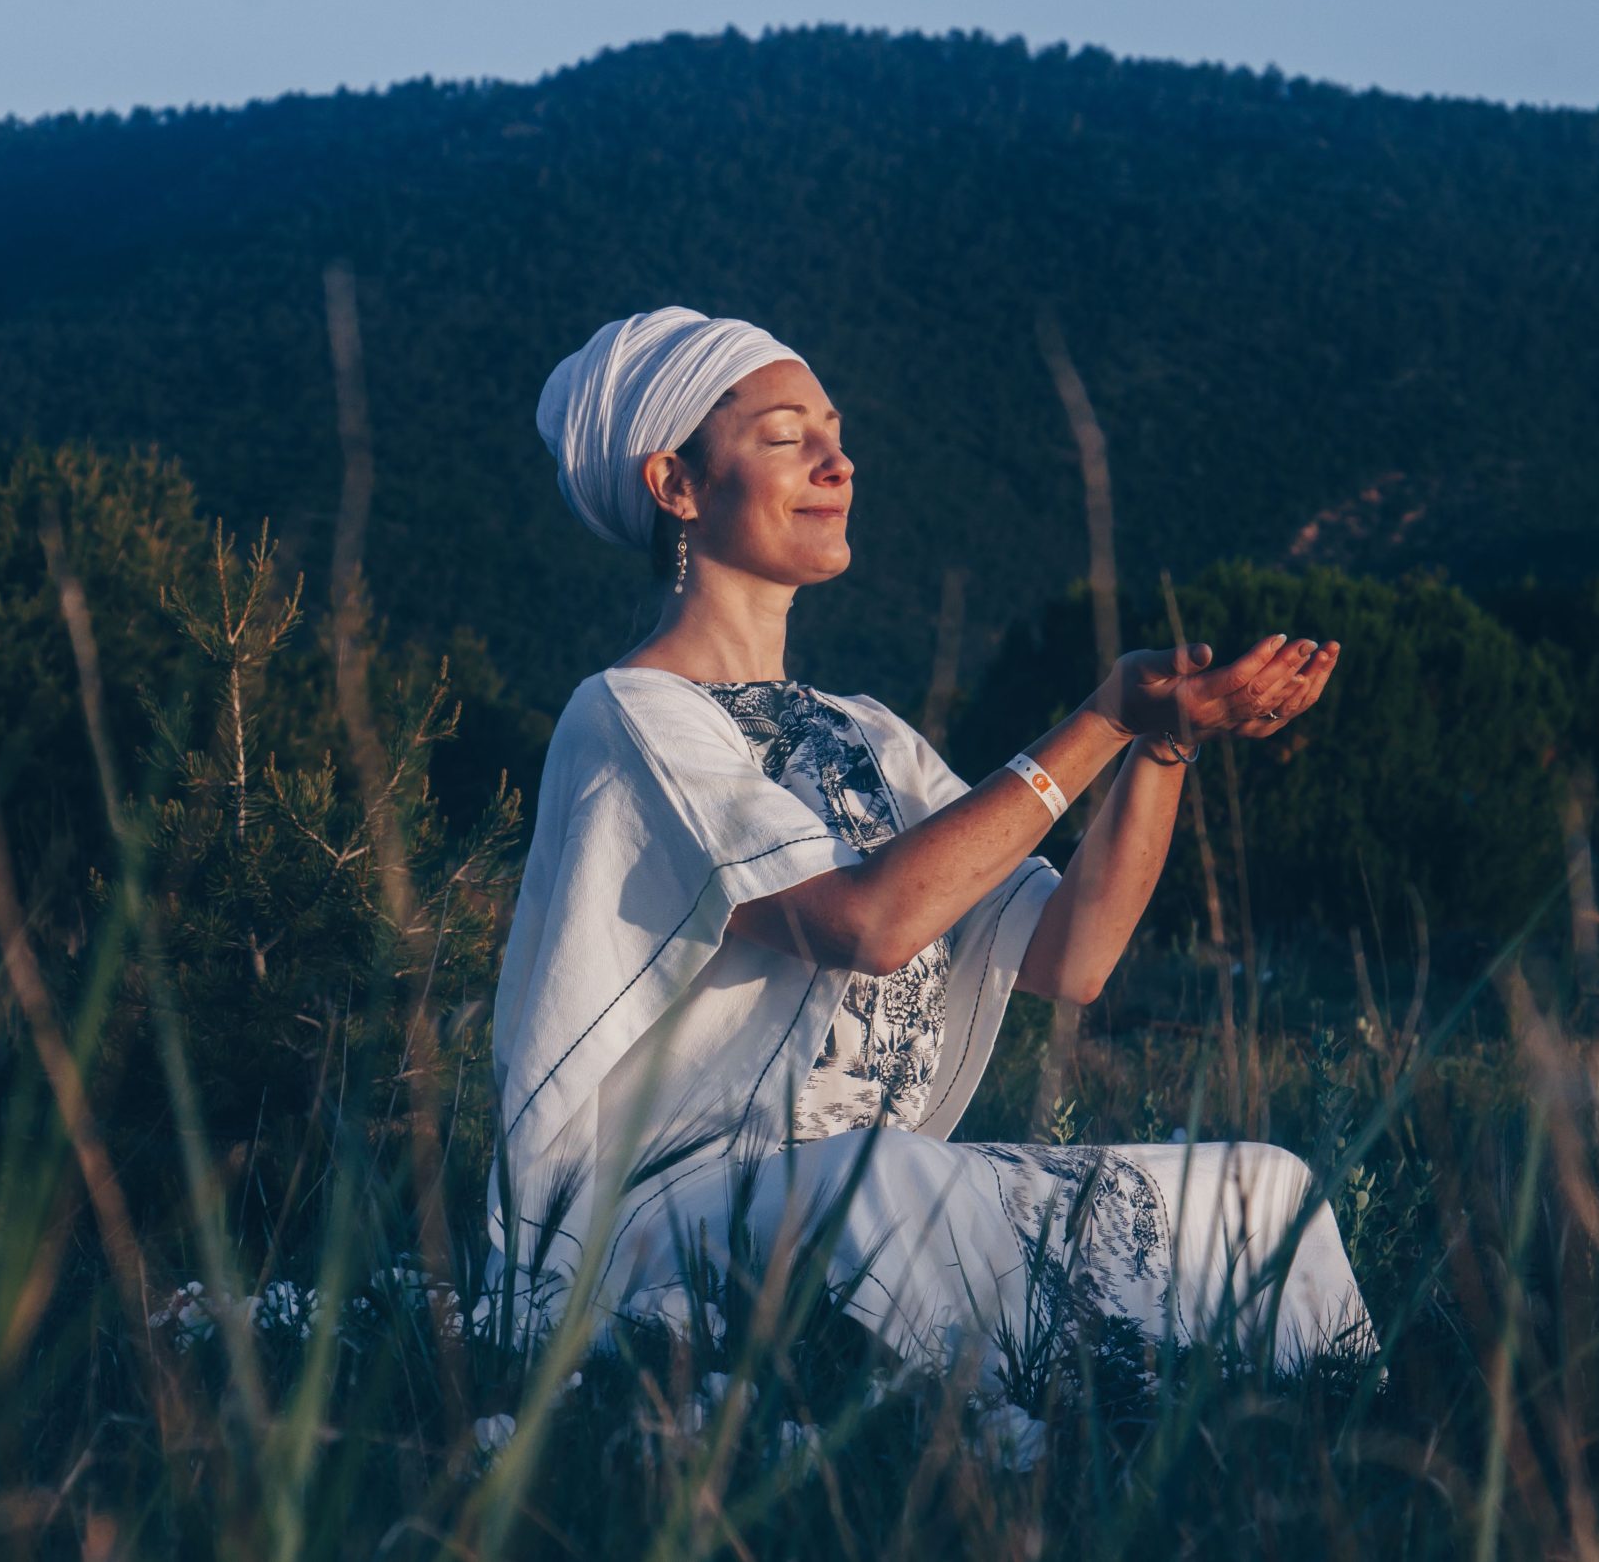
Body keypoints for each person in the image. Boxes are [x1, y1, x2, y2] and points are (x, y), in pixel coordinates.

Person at [487, 306, 1374, 1372]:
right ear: (674, 485)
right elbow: (872, 923)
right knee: (887, 1180)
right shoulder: (631, 716)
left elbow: (1070, 958)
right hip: (674, 1212)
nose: (836, 460)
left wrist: (1162, 748)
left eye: (835, 432)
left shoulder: (868, 732)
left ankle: (1306, 1434)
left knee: (1260, 1191)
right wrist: (1098, 720)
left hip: (863, 1185)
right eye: (784, 438)